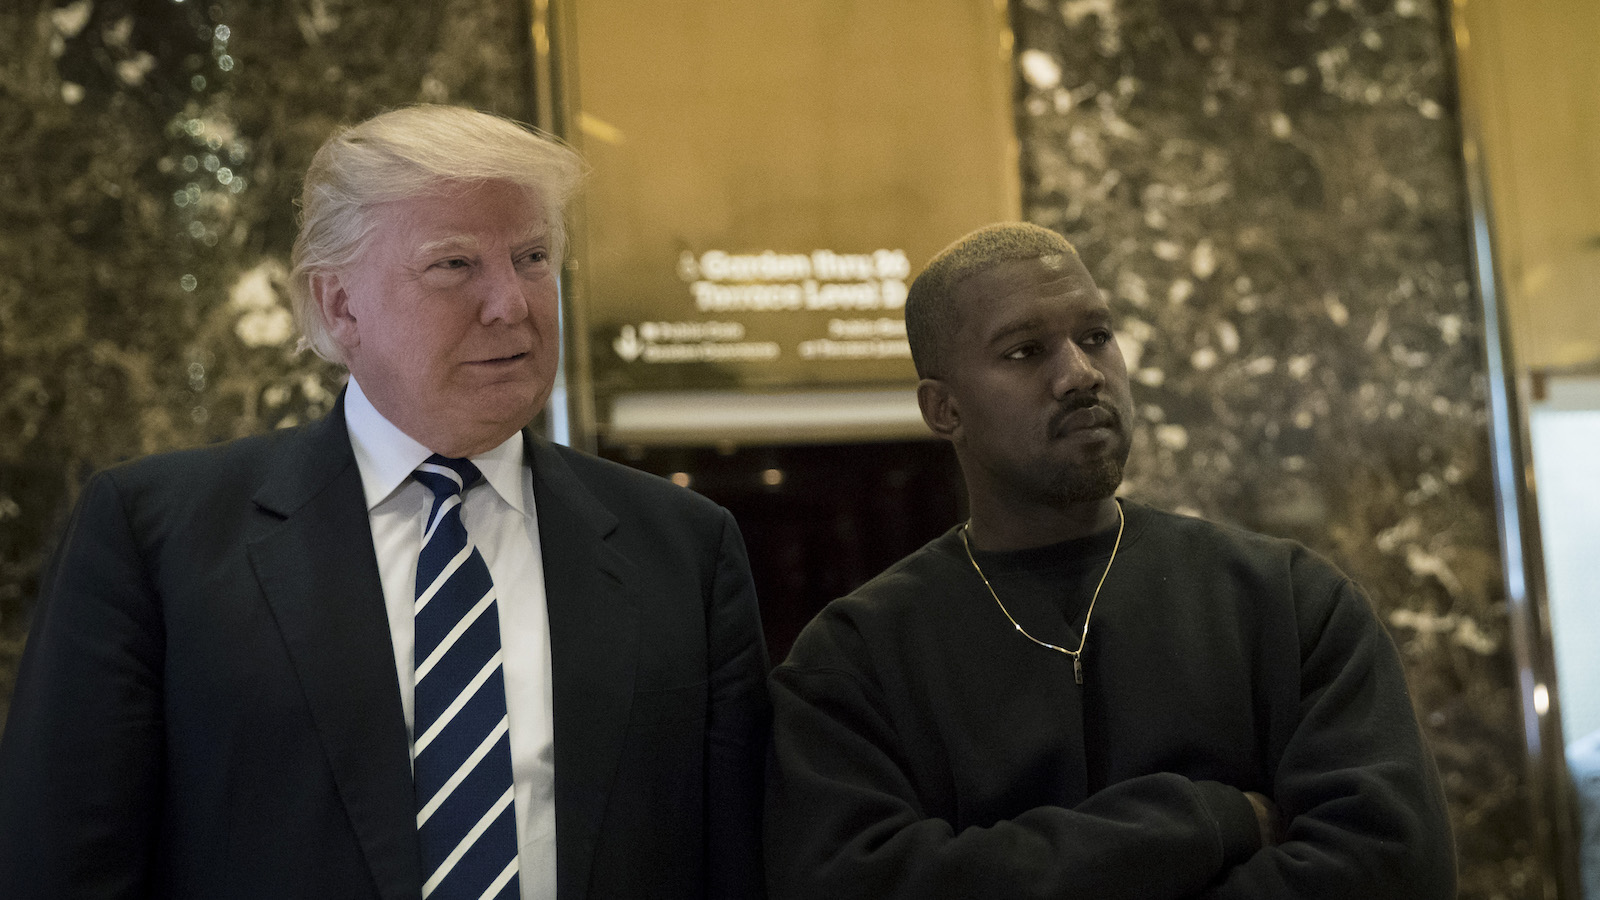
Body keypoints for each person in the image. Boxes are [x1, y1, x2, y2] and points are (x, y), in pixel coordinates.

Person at [0, 105, 770, 900]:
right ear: (339, 305)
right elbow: (59, 864)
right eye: (455, 265)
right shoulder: (156, 537)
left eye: (533, 257)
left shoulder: (682, 547)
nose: (511, 302)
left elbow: (737, 863)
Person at [764, 222, 1456, 898]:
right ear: (944, 410)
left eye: (1096, 336)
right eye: (1024, 352)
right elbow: (852, 878)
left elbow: (1392, 864)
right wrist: (1208, 823)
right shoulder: (857, 659)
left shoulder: (1288, 601)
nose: (1079, 374)